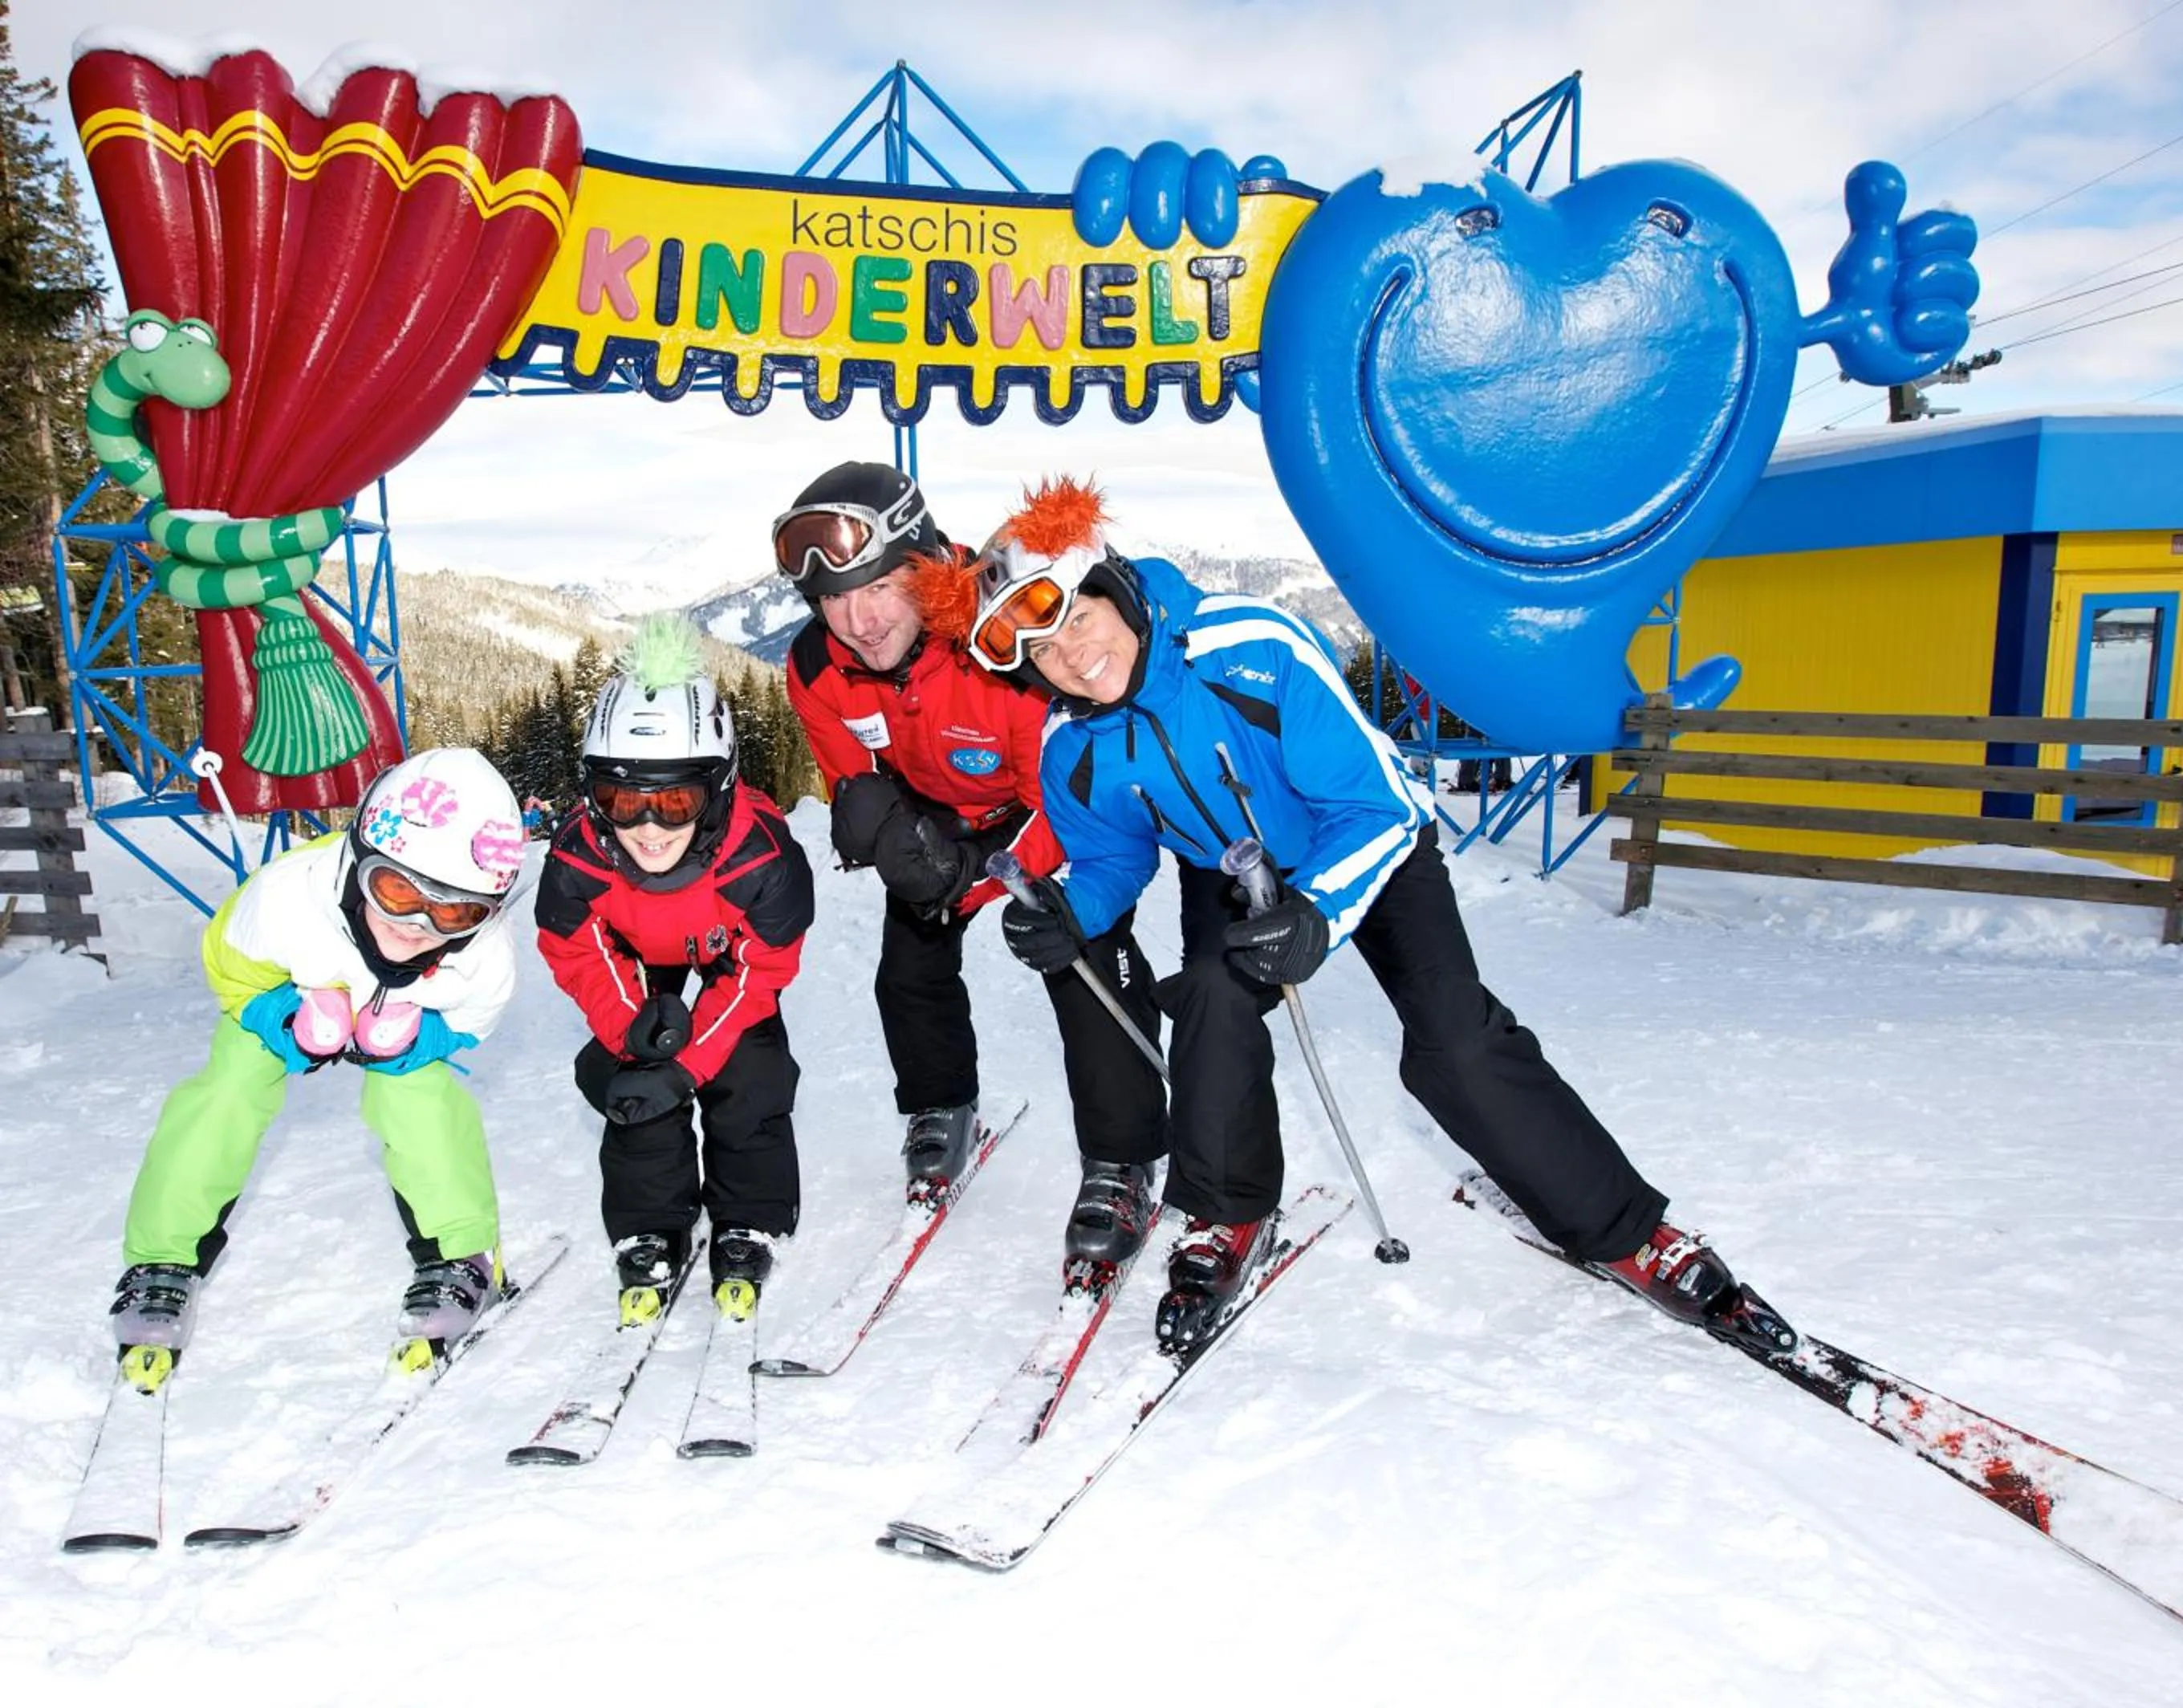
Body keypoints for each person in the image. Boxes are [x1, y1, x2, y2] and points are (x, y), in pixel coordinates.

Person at [932, 478, 1791, 1354]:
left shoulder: (1249, 651)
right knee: (1211, 1003)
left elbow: (1376, 806)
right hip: (1227, 870)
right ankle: (1226, 1214)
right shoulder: (1072, 739)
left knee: (1455, 1040)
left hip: (1363, 841)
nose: (1072, 658)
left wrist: (1318, 908)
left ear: (1112, 589)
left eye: (1077, 620)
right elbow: (1115, 857)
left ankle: (1625, 1230)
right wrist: (1071, 910)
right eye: (1041, 653)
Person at [774, 461, 1165, 1267]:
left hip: (1045, 812)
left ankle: (1123, 1157)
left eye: (880, 586)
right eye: (835, 600)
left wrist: (985, 876)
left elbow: (1068, 792)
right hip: (935, 816)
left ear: (922, 569)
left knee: (1080, 949)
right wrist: (893, 840)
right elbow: (856, 777)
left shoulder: (999, 641)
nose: (860, 619)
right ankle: (940, 1105)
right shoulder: (816, 668)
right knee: (907, 969)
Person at [107, 748, 531, 1372]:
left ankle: (462, 1254)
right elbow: (231, 968)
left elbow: (469, 1026)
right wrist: (282, 1019)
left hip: (403, 1015)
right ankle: (162, 1256)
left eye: (453, 911)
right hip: (295, 989)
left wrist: (422, 1038)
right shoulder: (286, 899)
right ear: (361, 861)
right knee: (229, 1087)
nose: (416, 924)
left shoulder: (481, 957)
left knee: (418, 1100)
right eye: (395, 889)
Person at [535, 617, 815, 1323]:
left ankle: (748, 1213)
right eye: (622, 801)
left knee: (750, 1068)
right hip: (634, 958)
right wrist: (631, 1030)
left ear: (715, 791)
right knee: (637, 1085)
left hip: (722, 952)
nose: (649, 827)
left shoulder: (761, 860)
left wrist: (688, 1063)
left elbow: (760, 970)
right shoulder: (580, 856)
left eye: (676, 801)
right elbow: (576, 948)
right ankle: (648, 1222)